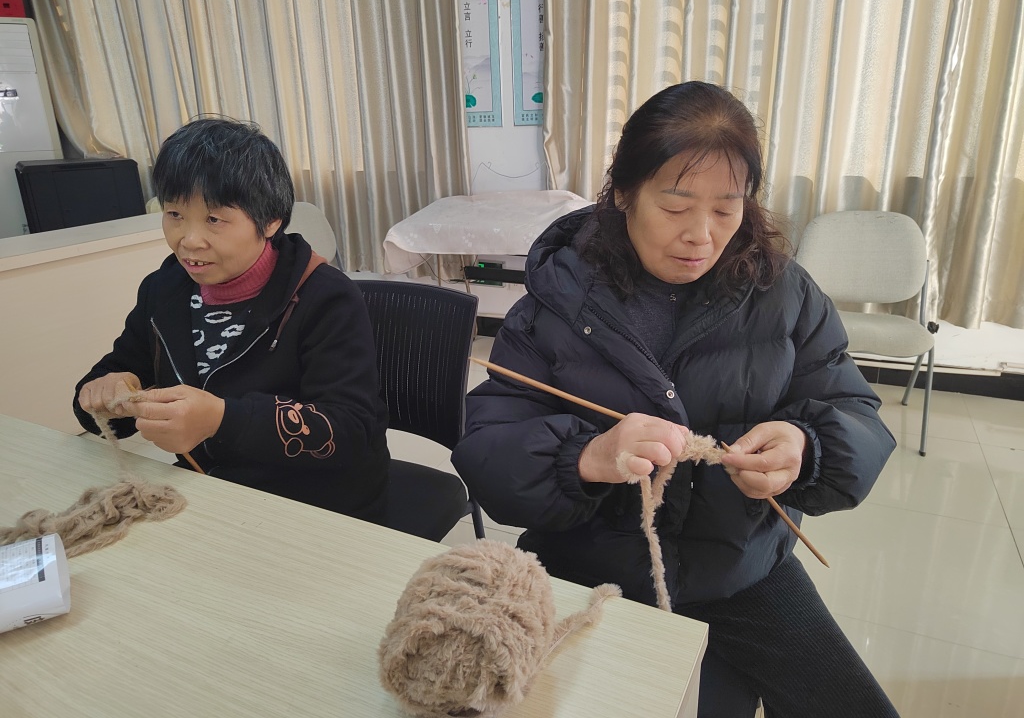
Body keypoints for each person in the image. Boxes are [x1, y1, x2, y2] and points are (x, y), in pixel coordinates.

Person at [451, 82, 899, 717]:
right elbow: (486, 445)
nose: (701, 236)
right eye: (676, 205)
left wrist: (808, 449)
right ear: (625, 193)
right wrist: (585, 459)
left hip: (739, 567)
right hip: (583, 563)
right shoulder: (560, 299)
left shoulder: (785, 295)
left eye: (726, 209)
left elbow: (856, 414)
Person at [74, 118, 390, 523]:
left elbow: (349, 430)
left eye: (214, 220)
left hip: (319, 504)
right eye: (175, 214)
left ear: (270, 220)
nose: (189, 240)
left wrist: (220, 420)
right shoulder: (163, 290)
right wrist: (105, 393)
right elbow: (116, 376)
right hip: (208, 491)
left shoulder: (325, 297)